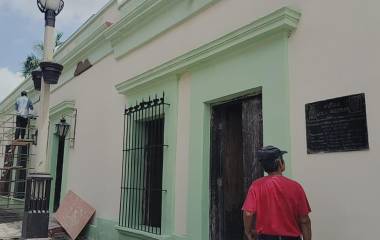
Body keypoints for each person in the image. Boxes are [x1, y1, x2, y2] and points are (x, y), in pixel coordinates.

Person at [242, 145, 312, 240]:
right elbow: (304, 220)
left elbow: (248, 213)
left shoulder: (256, 186)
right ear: (280, 163)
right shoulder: (296, 187)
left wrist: (248, 231)